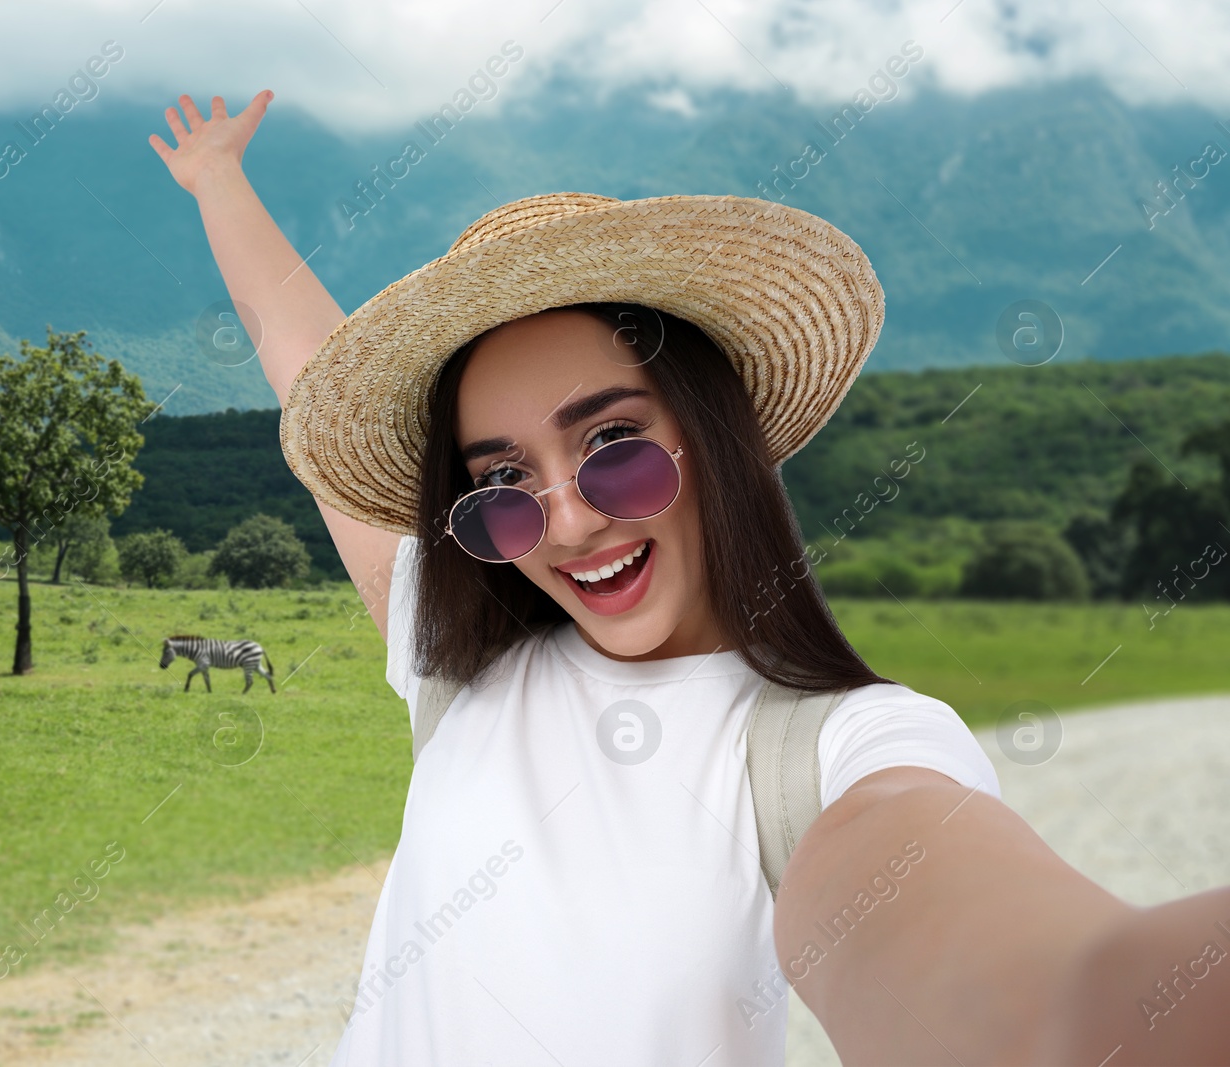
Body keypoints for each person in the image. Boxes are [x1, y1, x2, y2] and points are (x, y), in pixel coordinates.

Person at [150, 90, 1230, 1066]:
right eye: (504, 485)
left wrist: (1110, 998)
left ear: (710, 437)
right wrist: (216, 181)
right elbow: (297, 352)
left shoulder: (831, 748)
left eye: (614, 443)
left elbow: (1039, 973)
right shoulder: (454, 660)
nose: (567, 520)